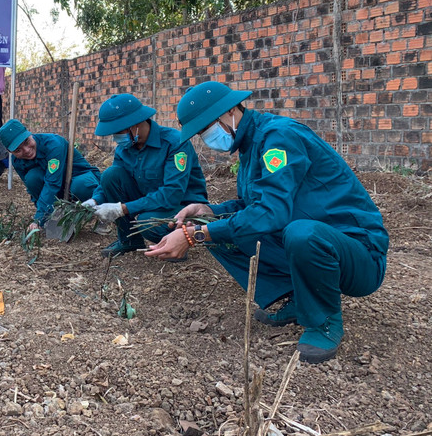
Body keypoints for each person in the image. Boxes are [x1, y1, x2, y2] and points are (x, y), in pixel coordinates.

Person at [145, 81, 388, 364]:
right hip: (312, 240)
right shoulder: (251, 147)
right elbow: (252, 207)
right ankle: (301, 300)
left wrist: (196, 236)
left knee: (301, 234)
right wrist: (208, 211)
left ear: (230, 111)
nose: (206, 137)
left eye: (206, 128)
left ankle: (324, 320)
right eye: (201, 133)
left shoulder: (278, 138)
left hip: (358, 255)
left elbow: (271, 213)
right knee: (220, 226)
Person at [81, 94, 208, 257]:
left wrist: (122, 209)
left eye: (118, 131)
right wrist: (95, 200)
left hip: (184, 208)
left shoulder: (174, 143)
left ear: (135, 124)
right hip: (152, 201)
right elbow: (111, 181)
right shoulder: (124, 149)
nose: (115, 138)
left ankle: (176, 246)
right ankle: (129, 242)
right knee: (111, 175)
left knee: (148, 222)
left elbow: (171, 194)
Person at [0, 118, 100, 232]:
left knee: (80, 185)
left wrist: (38, 218)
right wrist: (42, 215)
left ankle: (99, 216)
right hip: (58, 188)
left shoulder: (53, 145)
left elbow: (52, 183)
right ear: (10, 152)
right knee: (32, 178)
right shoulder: (17, 161)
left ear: (29, 133)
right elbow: (32, 189)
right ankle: (53, 216)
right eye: (18, 150)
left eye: (26, 142)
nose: (26, 150)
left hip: (80, 178)